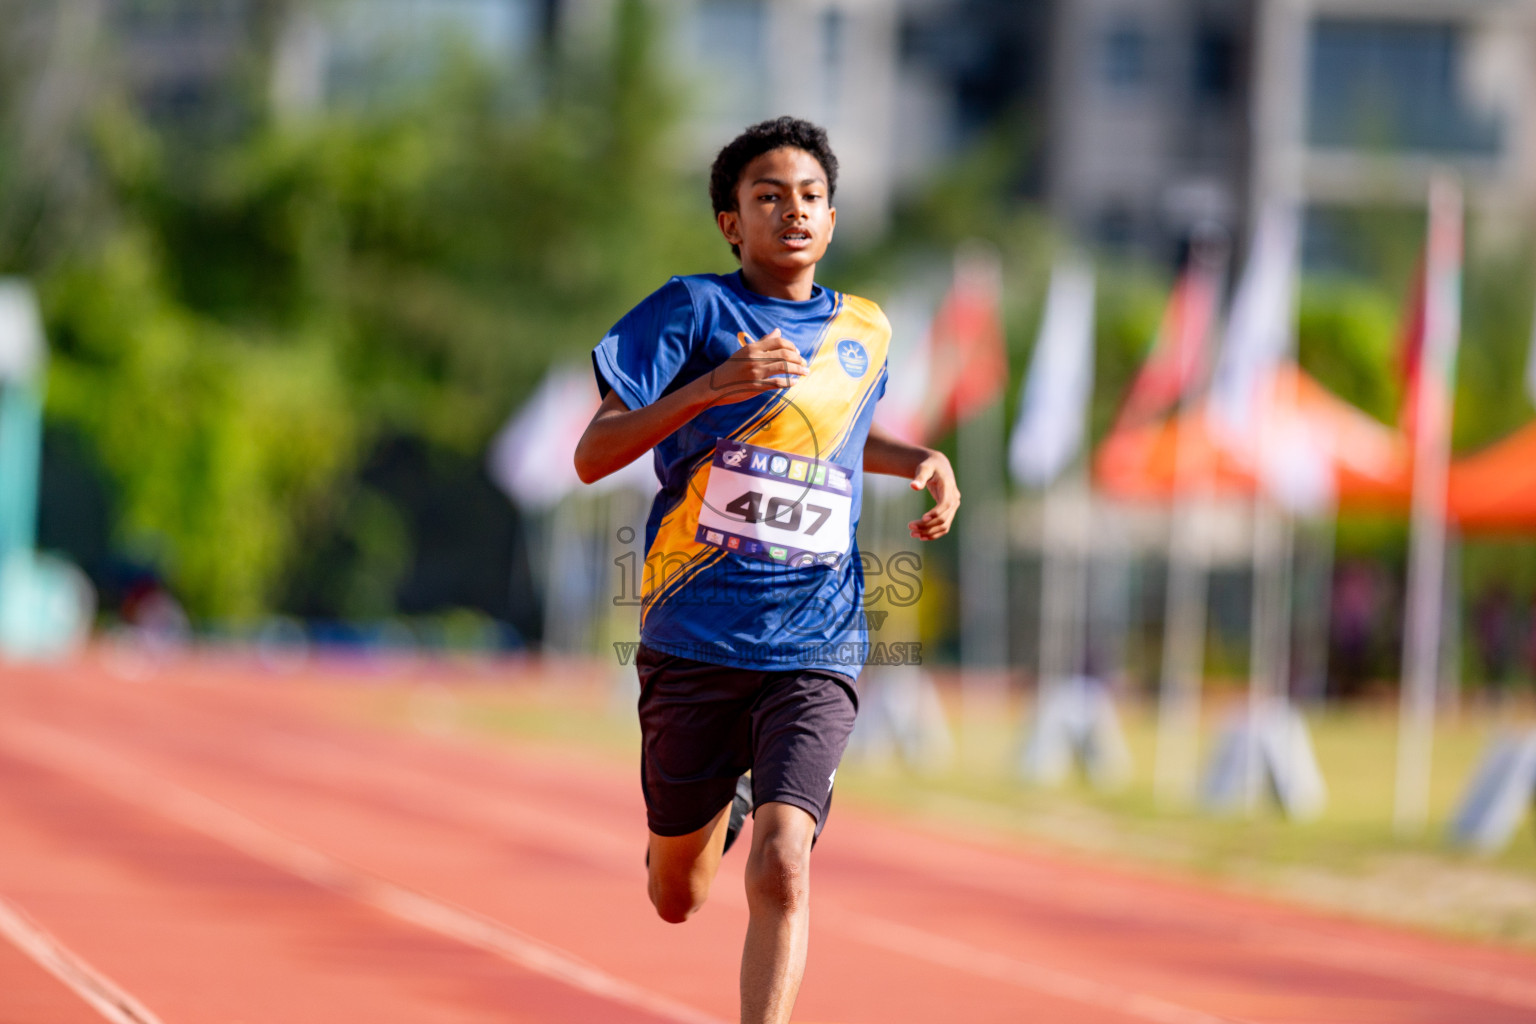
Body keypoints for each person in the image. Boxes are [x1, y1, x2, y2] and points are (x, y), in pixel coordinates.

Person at [573, 116, 959, 1024]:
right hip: (695, 634)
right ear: (730, 222)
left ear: (832, 219)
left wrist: (922, 462)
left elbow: (833, 441)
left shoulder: (866, 330)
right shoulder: (691, 312)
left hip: (817, 640)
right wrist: (713, 387)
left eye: (812, 197)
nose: (793, 211)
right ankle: (715, 812)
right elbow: (592, 454)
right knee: (678, 893)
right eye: (768, 196)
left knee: (785, 860)